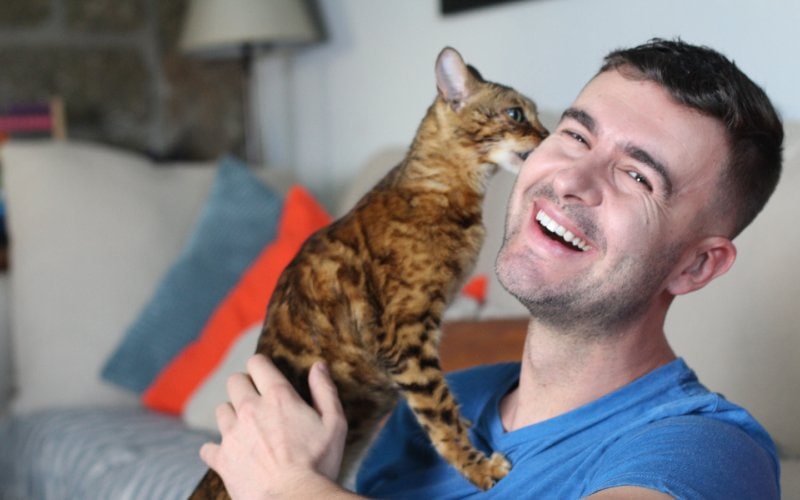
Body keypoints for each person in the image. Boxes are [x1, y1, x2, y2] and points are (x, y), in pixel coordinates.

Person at [199, 38, 784, 499]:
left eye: (637, 176)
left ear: (696, 265)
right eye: (575, 134)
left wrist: (289, 488)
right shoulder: (440, 406)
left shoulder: (706, 451)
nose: (569, 180)